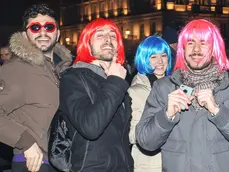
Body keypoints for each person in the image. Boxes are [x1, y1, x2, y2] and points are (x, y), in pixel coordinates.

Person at [136, 19, 229, 172]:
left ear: (214, 49)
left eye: (204, 42)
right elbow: (145, 142)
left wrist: (218, 112)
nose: (196, 49)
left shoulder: (227, 89)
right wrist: (167, 115)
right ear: (183, 48)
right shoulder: (163, 88)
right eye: (190, 43)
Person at [0, 4, 72, 172]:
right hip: (34, 163)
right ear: (25, 36)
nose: (43, 32)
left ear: (58, 33)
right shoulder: (16, 69)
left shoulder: (65, 70)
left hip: (62, 162)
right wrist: (26, 143)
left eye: (49, 26)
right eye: (35, 27)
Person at [55, 18, 133, 172]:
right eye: (99, 35)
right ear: (87, 44)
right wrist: (115, 82)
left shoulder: (118, 78)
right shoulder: (73, 77)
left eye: (113, 36)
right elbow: (91, 127)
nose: (108, 40)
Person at [128, 36, 172, 172]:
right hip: (149, 165)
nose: (160, 61)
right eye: (153, 57)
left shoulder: (175, 85)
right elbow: (132, 135)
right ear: (144, 59)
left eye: (164, 55)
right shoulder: (136, 91)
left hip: (173, 161)